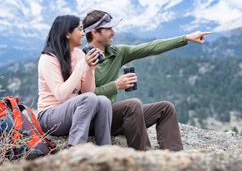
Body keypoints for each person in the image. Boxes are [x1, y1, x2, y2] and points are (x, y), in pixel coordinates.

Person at [82, 10, 211, 151]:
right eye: (108, 29)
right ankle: (146, 158)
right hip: (93, 120)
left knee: (165, 108)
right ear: (94, 32)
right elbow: (84, 97)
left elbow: (152, 47)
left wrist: (186, 38)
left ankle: (174, 158)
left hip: (113, 118)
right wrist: (115, 85)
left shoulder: (117, 53)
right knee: (132, 105)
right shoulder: (80, 59)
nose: (114, 32)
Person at [37, 15, 113, 148]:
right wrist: (82, 65)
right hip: (49, 116)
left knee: (103, 101)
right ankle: (75, 149)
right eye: (80, 29)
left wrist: (91, 69)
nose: (84, 33)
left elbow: (88, 92)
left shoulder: (79, 54)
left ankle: (105, 150)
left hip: (72, 113)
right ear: (67, 33)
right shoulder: (48, 58)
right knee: (89, 99)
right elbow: (60, 95)